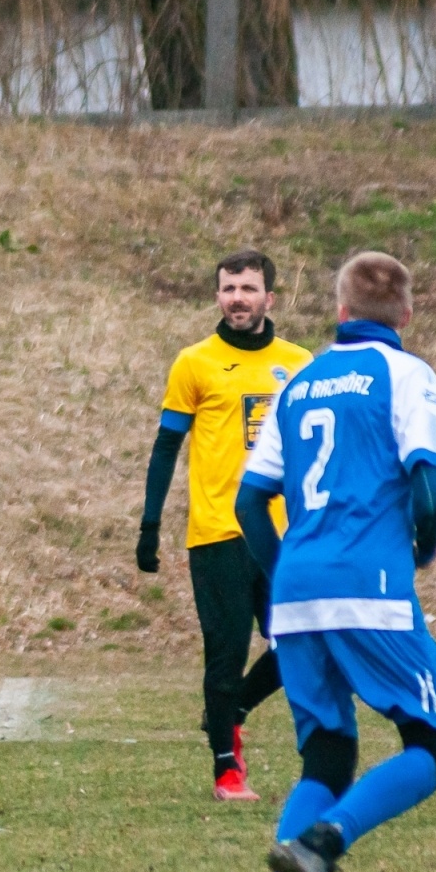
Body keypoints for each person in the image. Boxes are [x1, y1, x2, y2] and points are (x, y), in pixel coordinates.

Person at [236, 251, 436, 872]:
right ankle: (323, 844)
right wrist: (420, 552)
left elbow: (248, 500)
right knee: (434, 745)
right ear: (407, 314)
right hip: (370, 584)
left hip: (298, 587)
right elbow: (430, 490)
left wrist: (286, 580)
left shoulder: (296, 381)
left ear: (337, 312)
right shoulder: (407, 374)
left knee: (325, 754)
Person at [137, 250, 313, 801]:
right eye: (228, 288)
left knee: (303, 641)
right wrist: (149, 524)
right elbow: (168, 445)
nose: (237, 297)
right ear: (217, 296)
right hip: (217, 531)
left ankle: (232, 708)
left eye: (248, 288)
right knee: (226, 650)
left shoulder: (301, 362)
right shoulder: (195, 362)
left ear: (270, 298)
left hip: (285, 535)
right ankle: (226, 770)